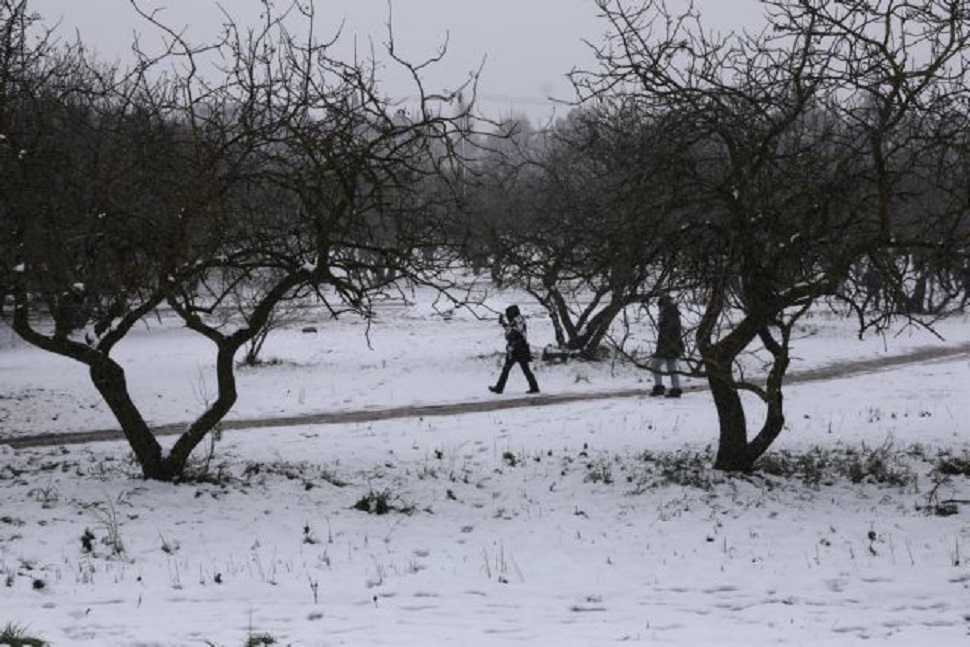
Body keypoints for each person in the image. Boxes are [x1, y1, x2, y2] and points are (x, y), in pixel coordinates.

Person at [489, 305, 540, 394]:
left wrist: (504, 324)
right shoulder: (518, 320)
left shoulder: (518, 320)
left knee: (511, 369)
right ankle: (534, 387)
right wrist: (503, 324)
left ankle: (499, 388)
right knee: (520, 369)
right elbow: (511, 329)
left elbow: (513, 331)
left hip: (518, 348)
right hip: (519, 348)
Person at [650, 293, 684, 398]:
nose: (659, 309)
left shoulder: (668, 316)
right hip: (673, 345)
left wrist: (664, 348)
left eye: (660, 306)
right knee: (671, 367)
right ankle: (675, 388)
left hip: (667, 345)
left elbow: (667, 333)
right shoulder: (672, 314)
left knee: (656, 365)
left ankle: (660, 387)